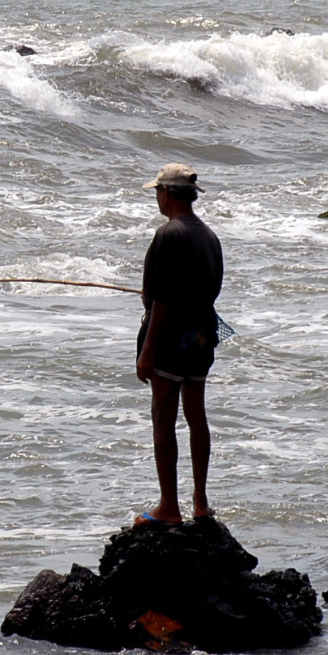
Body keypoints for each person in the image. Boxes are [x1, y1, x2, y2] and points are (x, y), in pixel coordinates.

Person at [134, 163, 223, 525]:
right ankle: (200, 503)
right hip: (203, 336)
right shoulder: (210, 237)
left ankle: (168, 507)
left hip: (171, 338)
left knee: (163, 419)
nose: (157, 197)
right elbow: (209, 289)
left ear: (167, 194)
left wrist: (148, 350)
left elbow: (163, 300)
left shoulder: (168, 234)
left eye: (158, 191)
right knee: (196, 416)